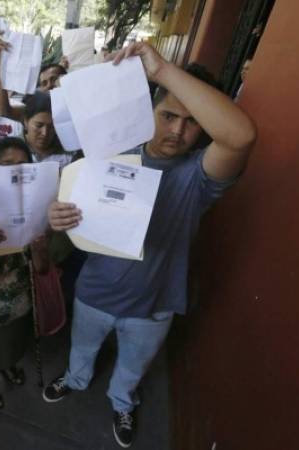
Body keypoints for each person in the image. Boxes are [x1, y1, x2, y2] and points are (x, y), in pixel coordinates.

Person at [43, 42, 257, 448]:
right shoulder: (111, 157)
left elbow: (241, 137)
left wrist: (162, 71)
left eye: (192, 122)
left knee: (134, 367)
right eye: (168, 115)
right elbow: (70, 212)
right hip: (95, 291)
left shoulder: (198, 176)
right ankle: (74, 378)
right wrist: (58, 218)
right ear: (149, 111)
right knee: (82, 348)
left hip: (154, 304)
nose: (178, 131)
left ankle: (122, 401)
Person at [0, 137, 50, 409]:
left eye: (23, 165)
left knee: (13, 346)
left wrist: (39, 247)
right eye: (7, 165)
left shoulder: (38, 207)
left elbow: (40, 267)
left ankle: (6, 367)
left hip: (22, 301)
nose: (16, 172)